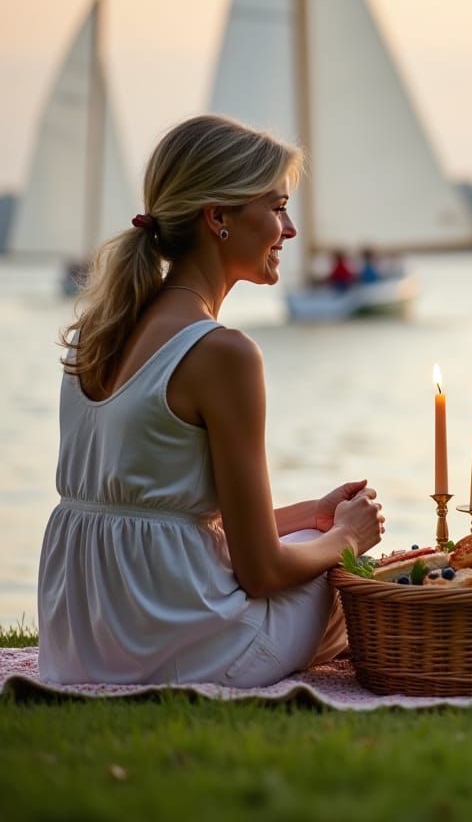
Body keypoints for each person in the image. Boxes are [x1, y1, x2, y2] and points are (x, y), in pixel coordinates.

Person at [37, 114, 386, 687]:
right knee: (346, 576)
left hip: (84, 645)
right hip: (180, 650)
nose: (289, 229)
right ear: (218, 217)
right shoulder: (223, 353)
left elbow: (160, 519)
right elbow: (262, 570)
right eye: (276, 207)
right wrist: (347, 537)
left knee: (308, 539)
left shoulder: (98, 331)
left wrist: (313, 516)